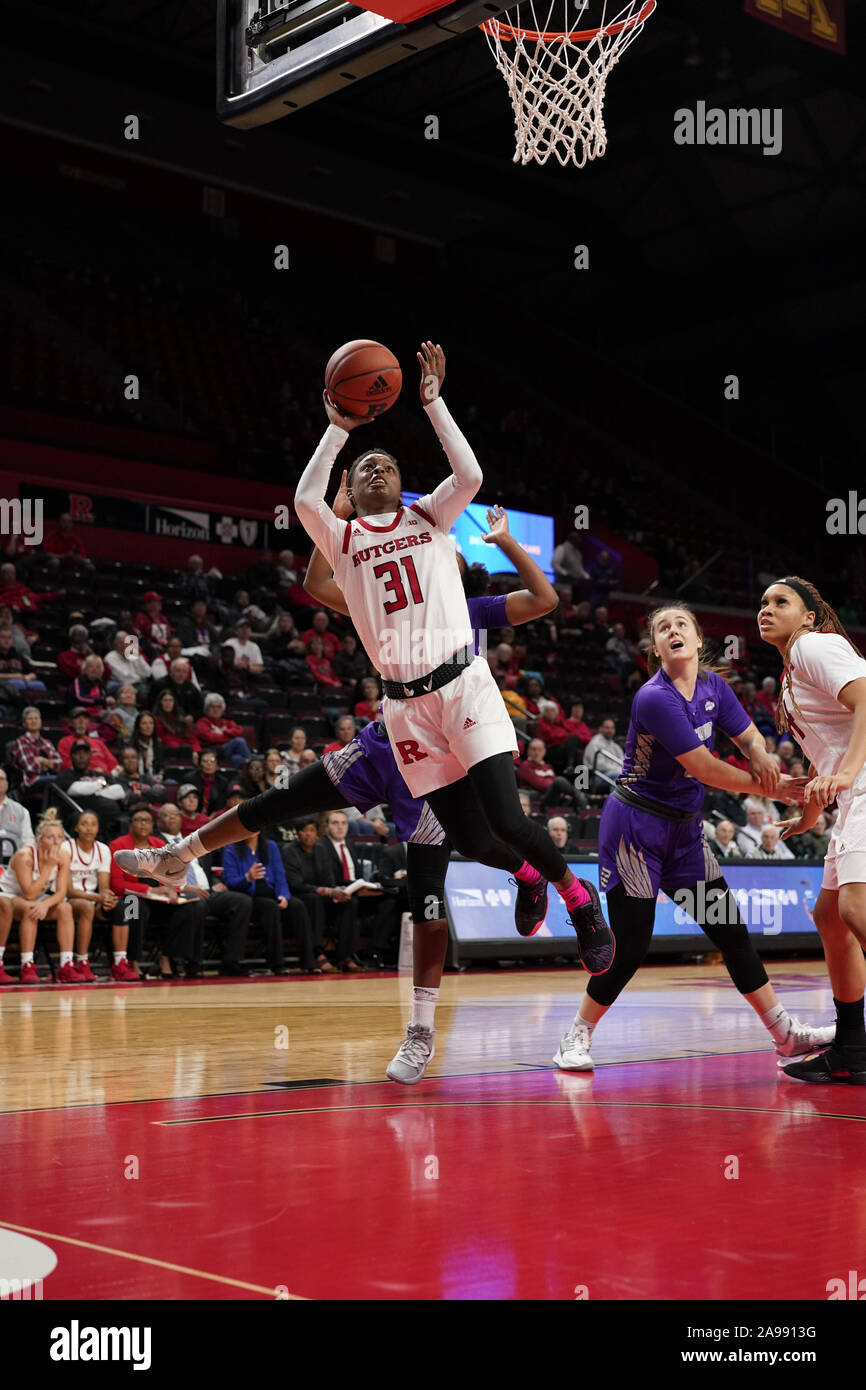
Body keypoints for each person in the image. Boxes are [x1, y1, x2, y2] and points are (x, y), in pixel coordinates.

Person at [293, 342, 611, 980]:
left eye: (385, 464)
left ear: (402, 483)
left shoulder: (428, 517)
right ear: (349, 492)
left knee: (507, 817)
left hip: (462, 685)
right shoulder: (346, 541)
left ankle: (580, 901)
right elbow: (306, 503)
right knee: (469, 838)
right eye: (364, 468)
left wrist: (435, 406)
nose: (376, 469)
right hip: (404, 705)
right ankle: (529, 877)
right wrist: (337, 430)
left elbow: (468, 477)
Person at [553, 602, 833, 1074]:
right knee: (632, 946)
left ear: (699, 639)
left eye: (681, 623)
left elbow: (747, 737)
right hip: (634, 831)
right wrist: (771, 787)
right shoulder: (653, 698)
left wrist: (763, 757)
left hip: (684, 834)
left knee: (730, 931)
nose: (673, 630)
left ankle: (785, 1035)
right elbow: (704, 768)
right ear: (656, 647)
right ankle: (575, 1035)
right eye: (663, 628)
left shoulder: (714, 686)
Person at [758, 576, 866, 1083]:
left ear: (808, 616)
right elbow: (829, 748)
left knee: (854, 907)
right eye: (763, 603)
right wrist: (810, 810)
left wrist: (845, 773)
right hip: (850, 795)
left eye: (782, 602)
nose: (767, 609)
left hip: (863, 782)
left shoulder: (812, 646)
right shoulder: (790, 675)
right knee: (830, 917)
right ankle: (851, 1050)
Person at [155, 802, 253, 978]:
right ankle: (193, 963)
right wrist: (184, 887)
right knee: (197, 902)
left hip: (208, 890)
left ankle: (232, 961)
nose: (172, 818)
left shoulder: (190, 839)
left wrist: (216, 881)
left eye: (176, 814)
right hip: (180, 893)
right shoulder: (155, 842)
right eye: (167, 815)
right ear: (158, 821)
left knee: (242, 901)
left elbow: (204, 869)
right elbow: (155, 876)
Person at [109, 805, 198, 980]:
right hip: (129, 899)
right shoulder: (118, 846)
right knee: (134, 907)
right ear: (130, 824)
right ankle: (131, 961)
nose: (143, 824)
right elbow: (117, 884)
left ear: (152, 825)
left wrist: (173, 890)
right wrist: (150, 890)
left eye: (147, 820)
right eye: (138, 820)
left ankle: (166, 958)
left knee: (190, 907)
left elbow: (174, 875)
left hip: (158, 901)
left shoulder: (159, 845)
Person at [221, 817, 317, 974]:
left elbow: (280, 876)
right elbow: (230, 882)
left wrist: (284, 895)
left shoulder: (270, 846)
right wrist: (247, 878)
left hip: (272, 893)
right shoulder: (232, 849)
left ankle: (309, 962)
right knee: (270, 907)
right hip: (250, 897)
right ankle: (277, 963)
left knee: (298, 905)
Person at [0, 810, 81, 985]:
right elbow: (29, 893)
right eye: (50, 837)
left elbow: (61, 892)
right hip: (9, 895)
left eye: (60, 837)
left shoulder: (64, 855)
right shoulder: (25, 856)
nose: (56, 841)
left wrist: (45, 904)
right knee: (32, 908)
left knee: (65, 908)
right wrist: (49, 866)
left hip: (36, 897)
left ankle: (66, 965)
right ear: (39, 840)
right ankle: (26, 965)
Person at [62, 809, 117, 981]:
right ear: (76, 828)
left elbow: (103, 886)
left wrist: (106, 900)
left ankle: (124, 961)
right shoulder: (66, 847)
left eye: (93, 824)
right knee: (86, 907)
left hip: (94, 899)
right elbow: (68, 890)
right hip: (68, 899)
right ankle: (82, 961)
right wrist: (97, 899)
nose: (89, 828)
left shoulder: (103, 849)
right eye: (84, 824)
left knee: (129, 907)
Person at [53, 740, 126, 837]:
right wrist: (102, 785)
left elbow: (119, 791)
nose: (81, 757)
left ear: (90, 756)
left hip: (111, 822)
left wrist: (93, 792)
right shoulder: (65, 776)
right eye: (77, 753)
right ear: (71, 756)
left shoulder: (99, 774)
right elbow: (76, 789)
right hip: (81, 823)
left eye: (85, 753)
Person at [517, 738, 583, 810]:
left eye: (539, 750)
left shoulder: (547, 766)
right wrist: (559, 788)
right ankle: (579, 795)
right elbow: (541, 785)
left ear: (544, 751)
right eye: (533, 749)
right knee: (559, 781)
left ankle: (579, 798)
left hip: (553, 797)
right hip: (539, 800)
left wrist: (563, 792)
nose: (536, 753)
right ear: (528, 751)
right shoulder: (525, 766)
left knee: (573, 800)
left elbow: (552, 783)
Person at [10, 706, 62, 795]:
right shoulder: (21, 741)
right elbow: (30, 768)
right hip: (31, 782)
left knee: (63, 780)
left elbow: (60, 765)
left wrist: (43, 760)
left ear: (41, 722)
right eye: (30, 719)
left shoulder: (47, 742)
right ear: (24, 723)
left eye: (36, 718)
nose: (34, 721)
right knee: (61, 780)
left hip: (48, 778)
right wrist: (49, 765)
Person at [194, 693, 253, 767]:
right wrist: (229, 736)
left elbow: (239, 730)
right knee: (239, 741)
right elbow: (211, 738)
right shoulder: (202, 722)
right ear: (207, 709)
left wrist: (224, 732)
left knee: (237, 758)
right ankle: (253, 764)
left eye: (218, 707)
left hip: (227, 751)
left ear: (222, 709)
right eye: (212, 707)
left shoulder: (226, 722)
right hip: (212, 752)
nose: (216, 709)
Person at [58, 708, 120, 775]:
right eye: (77, 718)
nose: (81, 721)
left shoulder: (98, 743)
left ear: (88, 722)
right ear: (71, 723)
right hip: (83, 778)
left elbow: (113, 763)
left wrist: (110, 774)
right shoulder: (64, 742)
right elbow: (67, 765)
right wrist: (92, 772)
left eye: (85, 718)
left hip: (106, 778)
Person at [0, 625, 47, 699]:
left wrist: (29, 677)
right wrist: (14, 676)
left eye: (9, 637)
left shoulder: (18, 655)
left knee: (39, 685)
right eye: (3, 637)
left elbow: (34, 672)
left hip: (18, 690)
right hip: (2, 691)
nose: (7, 640)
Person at [582, 717, 625, 794]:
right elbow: (599, 765)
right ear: (600, 729)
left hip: (611, 774)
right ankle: (614, 804)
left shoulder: (616, 746)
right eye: (607, 727)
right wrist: (617, 769)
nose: (610, 730)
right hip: (595, 777)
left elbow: (622, 763)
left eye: (612, 728)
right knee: (618, 776)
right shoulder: (594, 743)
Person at [153, 689, 201, 757]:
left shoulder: (181, 718)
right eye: (165, 700)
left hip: (187, 749)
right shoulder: (156, 720)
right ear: (160, 702)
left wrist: (195, 751)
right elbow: (164, 739)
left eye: (170, 700)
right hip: (170, 751)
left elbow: (192, 738)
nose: (168, 703)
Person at [0, 767, 34, 859]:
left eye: (2, 779)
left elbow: (28, 840)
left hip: (13, 860)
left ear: (7, 784)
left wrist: (24, 857)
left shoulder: (21, 810)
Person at [190, 749, 230, 815]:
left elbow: (220, 806)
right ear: (200, 764)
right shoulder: (190, 779)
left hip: (215, 817)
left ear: (217, 765)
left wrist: (213, 817)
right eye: (205, 761)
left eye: (212, 761)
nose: (209, 764)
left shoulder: (223, 782)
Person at [133, 591, 172, 656]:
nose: (160, 603)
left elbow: (169, 634)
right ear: (148, 604)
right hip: (150, 652)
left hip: (165, 649)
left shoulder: (163, 618)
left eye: (159, 601)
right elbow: (138, 637)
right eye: (156, 601)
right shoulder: (141, 618)